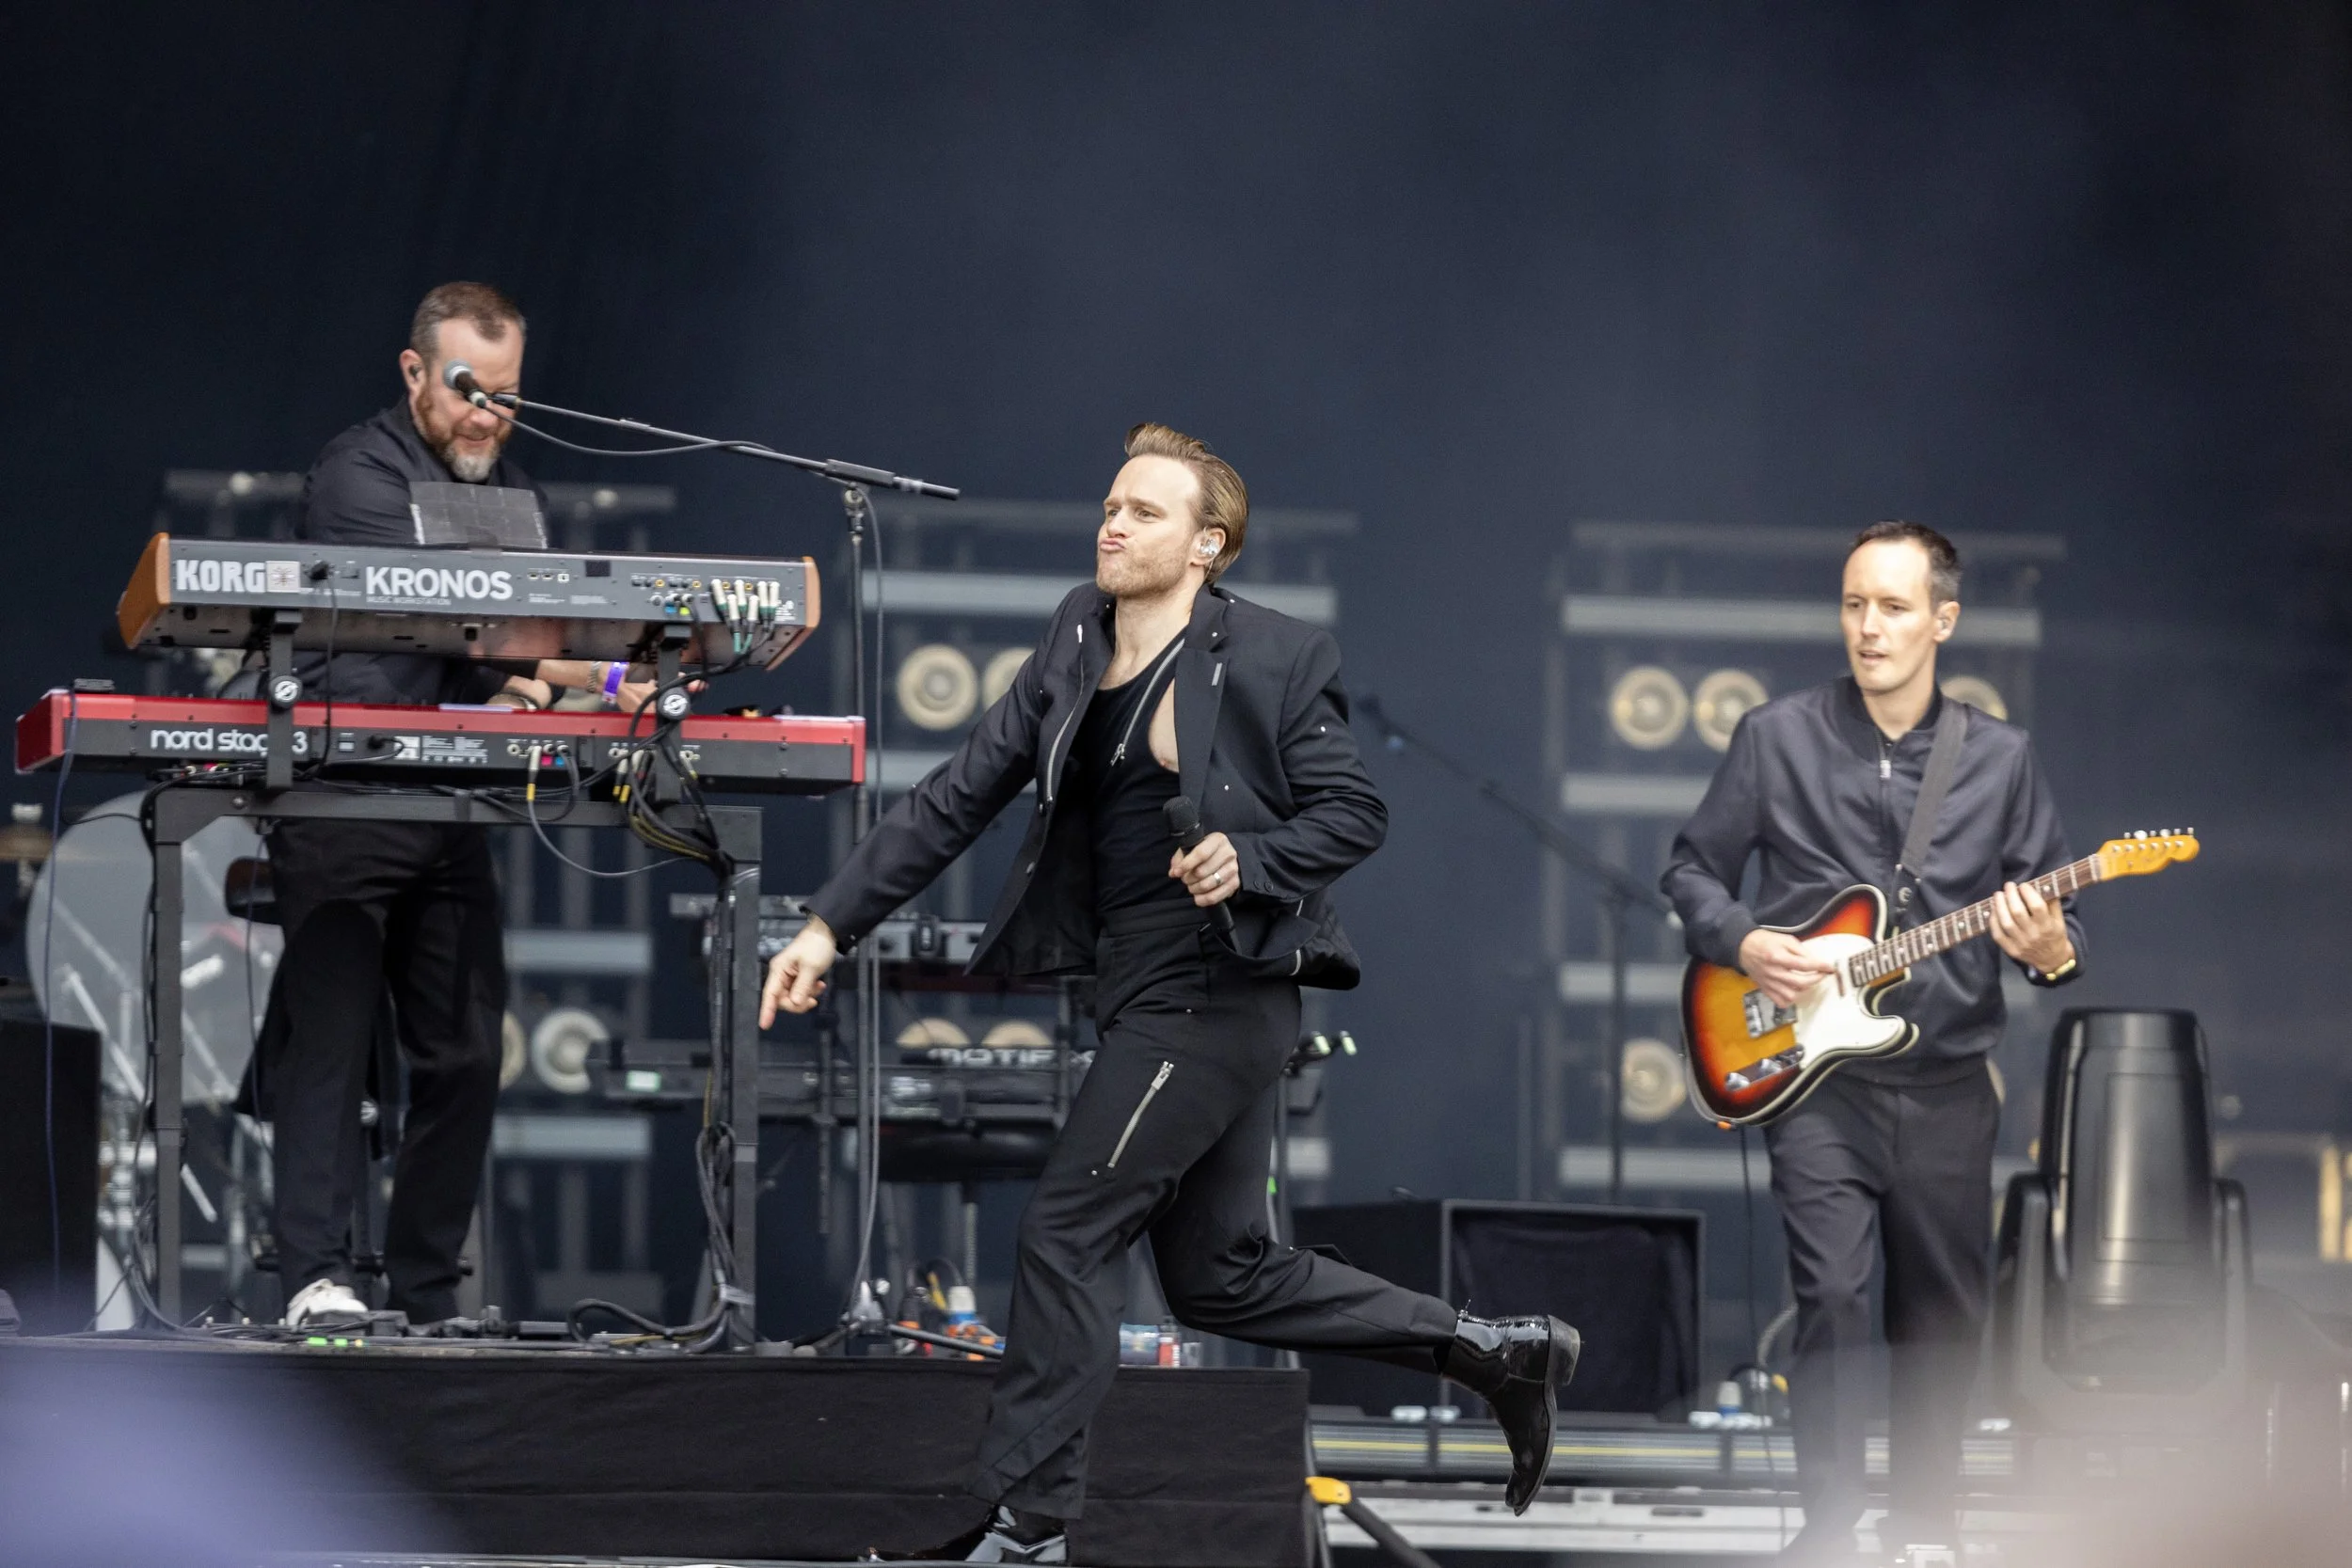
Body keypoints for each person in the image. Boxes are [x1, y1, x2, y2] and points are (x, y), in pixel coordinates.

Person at [762, 423, 1580, 1563]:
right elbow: (960, 790)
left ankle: (1023, 1527)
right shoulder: (1072, 635)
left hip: (1216, 989)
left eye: (1144, 511)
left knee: (1064, 1229)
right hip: (1142, 990)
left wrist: (1249, 855)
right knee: (1220, 1276)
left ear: (1209, 545)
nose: (1112, 522)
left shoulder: (1272, 656)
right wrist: (826, 922)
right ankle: (1495, 1348)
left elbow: (1354, 812)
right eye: (1110, 503)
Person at [1661, 521, 2086, 1562]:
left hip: (1946, 1080)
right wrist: (1746, 940)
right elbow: (1690, 872)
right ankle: (1833, 1525)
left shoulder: (2001, 759)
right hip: (1813, 1080)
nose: (1868, 625)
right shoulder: (1776, 736)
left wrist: (2050, 951)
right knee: (1836, 1297)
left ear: (1943, 619)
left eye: (1893, 606)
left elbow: (2060, 938)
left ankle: (1929, 1528)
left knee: (1942, 1317)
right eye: (1854, 603)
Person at [269, 281, 654, 1330]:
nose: (488, 415)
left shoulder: (507, 488)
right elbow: (469, 626)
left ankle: (427, 1287)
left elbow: (538, 643)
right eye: (468, 390)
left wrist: (628, 680)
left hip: (449, 806)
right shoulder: (357, 472)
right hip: (343, 796)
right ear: (413, 371)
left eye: (508, 397)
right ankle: (313, 1271)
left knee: (468, 1051)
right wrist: (540, 670)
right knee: (332, 1043)